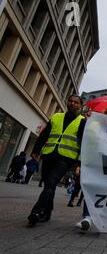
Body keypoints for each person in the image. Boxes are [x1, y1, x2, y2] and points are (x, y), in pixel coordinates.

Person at [27, 94, 86, 226]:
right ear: (67, 102)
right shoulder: (56, 117)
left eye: (76, 102)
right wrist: (36, 150)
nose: (72, 103)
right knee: (50, 184)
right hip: (49, 154)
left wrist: (79, 163)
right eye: (70, 101)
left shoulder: (82, 121)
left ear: (80, 106)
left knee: (50, 182)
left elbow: (83, 143)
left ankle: (36, 212)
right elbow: (44, 134)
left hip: (66, 158)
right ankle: (47, 213)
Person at [75, 105, 107, 231]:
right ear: (105, 113)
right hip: (95, 162)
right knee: (91, 190)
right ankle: (88, 217)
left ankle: (102, 217)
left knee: (106, 192)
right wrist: (86, 120)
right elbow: (82, 137)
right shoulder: (96, 125)